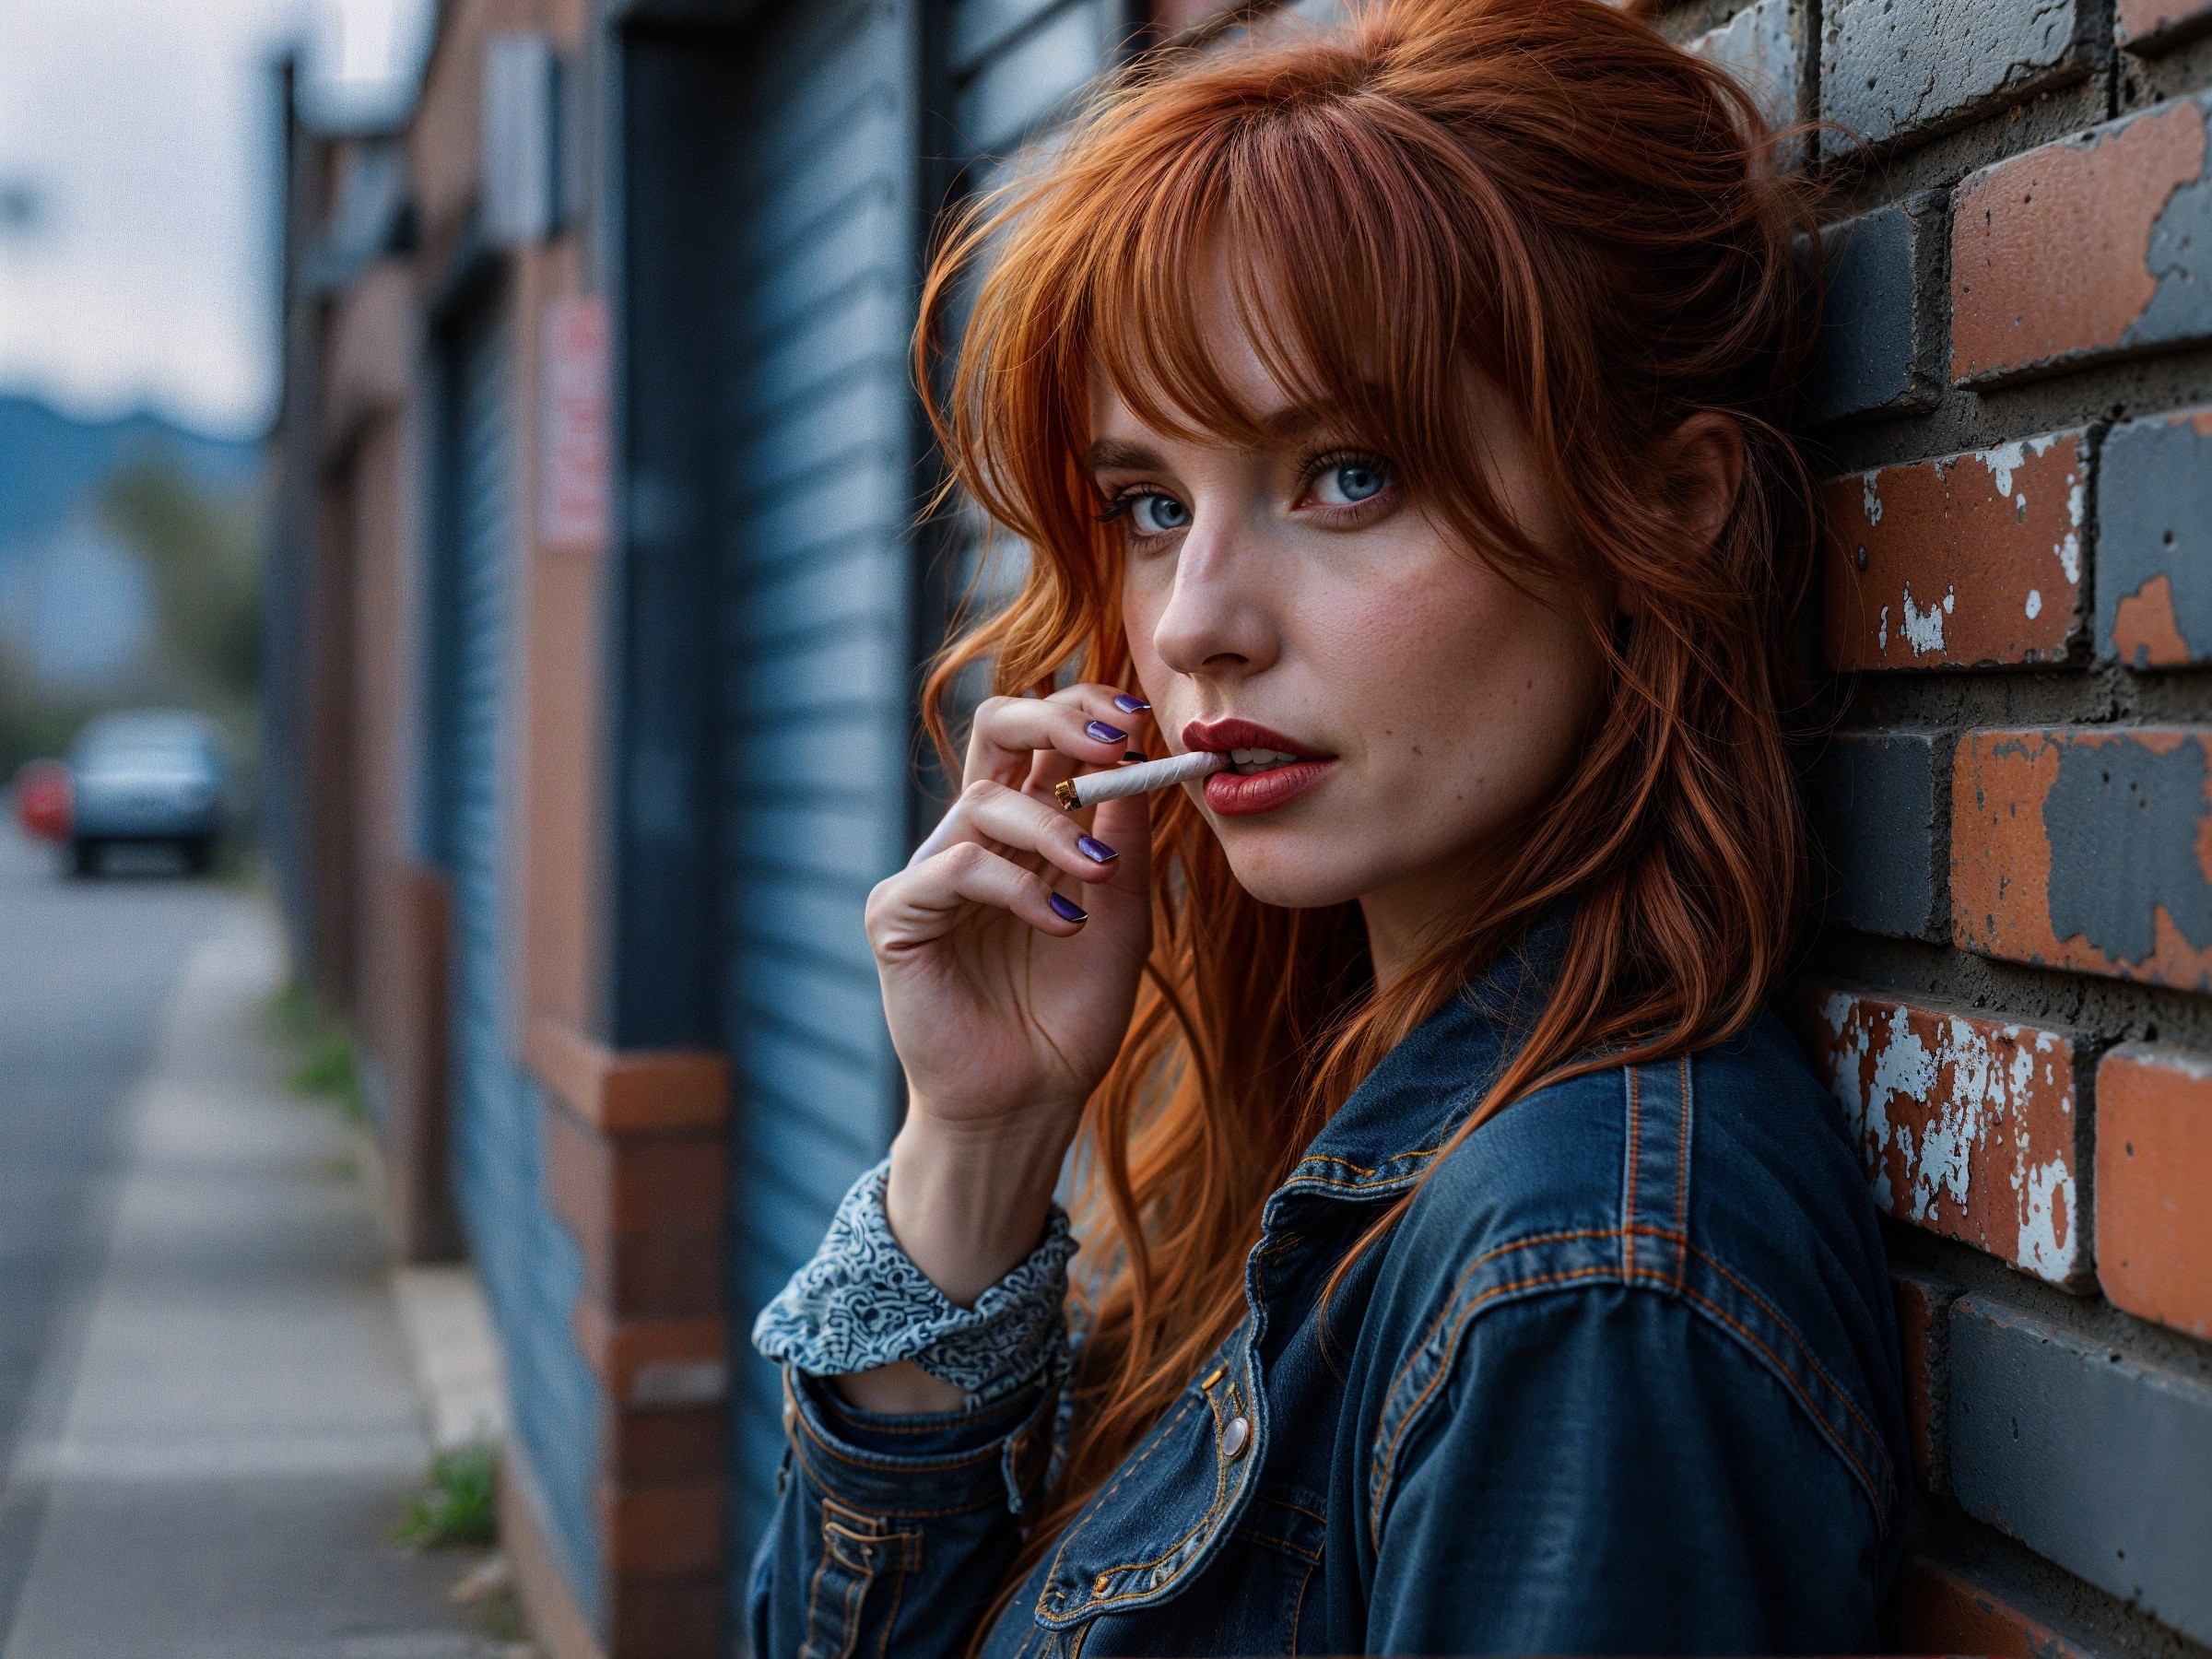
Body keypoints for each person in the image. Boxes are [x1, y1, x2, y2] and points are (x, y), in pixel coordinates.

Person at [749, 0, 1909, 1652]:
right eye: (1155, 505)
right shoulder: (1328, 1135)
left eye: (1346, 474)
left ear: (1666, 511)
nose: (1196, 621)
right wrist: (977, 1141)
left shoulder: (1586, 1284)